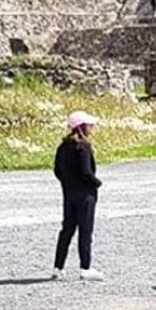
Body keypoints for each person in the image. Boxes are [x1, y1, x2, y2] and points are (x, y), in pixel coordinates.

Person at [52, 111, 104, 281]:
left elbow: (57, 170)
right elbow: (86, 172)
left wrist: (67, 183)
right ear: (82, 127)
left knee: (67, 229)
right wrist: (96, 183)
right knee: (85, 230)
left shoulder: (63, 146)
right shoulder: (83, 146)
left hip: (69, 193)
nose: (92, 128)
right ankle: (85, 267)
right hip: (86, 194)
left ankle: (58, 267)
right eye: (89, 125)